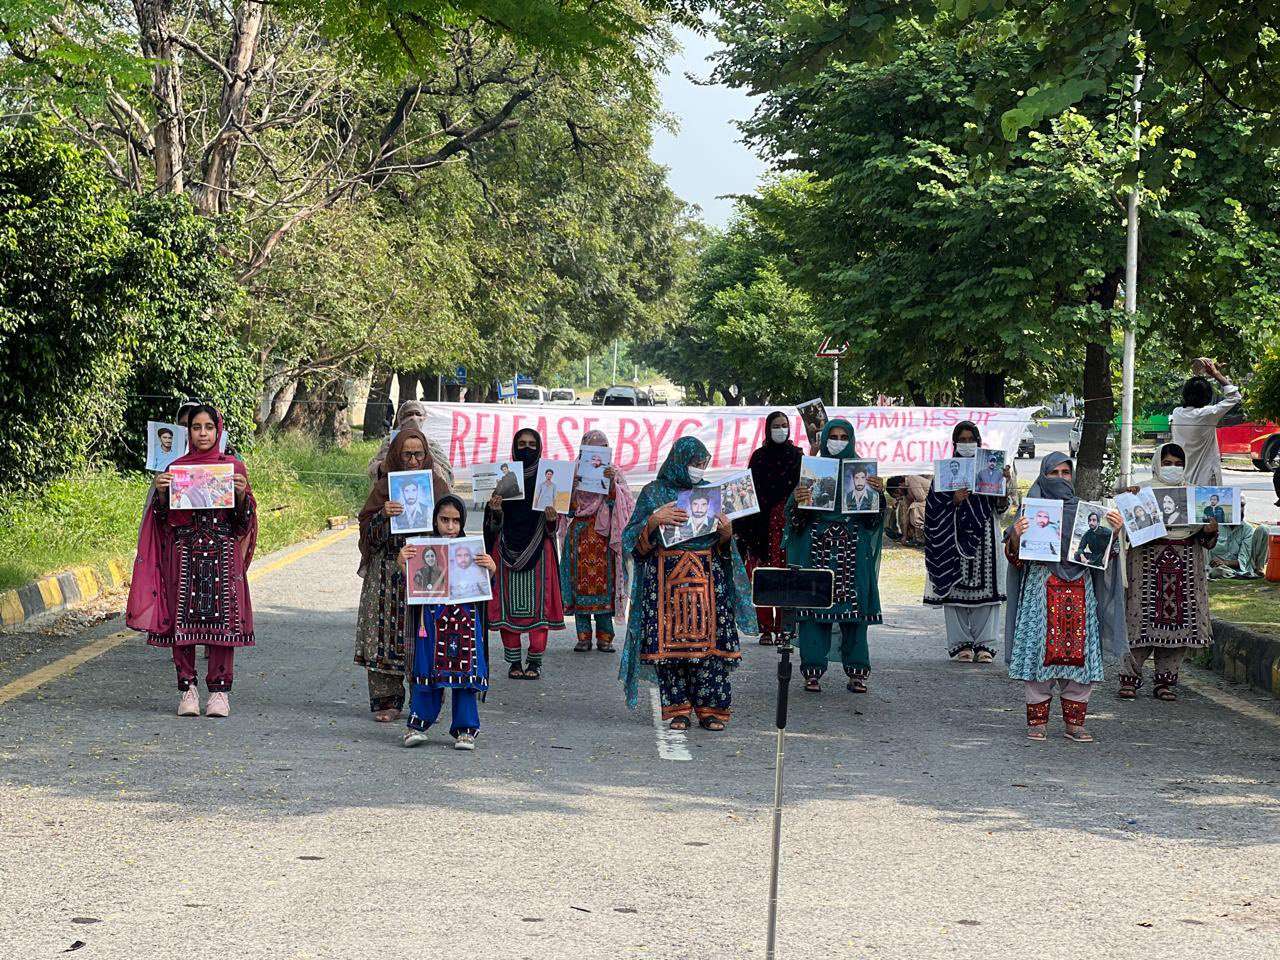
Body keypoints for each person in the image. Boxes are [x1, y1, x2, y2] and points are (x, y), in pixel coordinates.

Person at [126, 405, 256, 718]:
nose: (202, 433)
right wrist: (160, 494)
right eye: (196, 427)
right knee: (180, 622)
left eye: (208, 427)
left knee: (223, 623)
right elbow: (163, 521)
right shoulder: (175, 468)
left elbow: (243, 524)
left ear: (218, 430)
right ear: (189, 432)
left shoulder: (233, 468)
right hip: (182, 554)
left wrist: (240, 497)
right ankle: (188, 690)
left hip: (223, 556)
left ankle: (220, 694)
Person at [619, 437, 756, 730]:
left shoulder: (709, 493)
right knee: (670, 651)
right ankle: (677, 709)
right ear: (678, 460)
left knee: (710, 647)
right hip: (664, 584)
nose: (698, 469)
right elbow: (633, 544)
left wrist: (727, 533)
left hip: (707, 581)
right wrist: (654, 521)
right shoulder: (653, 493)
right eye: (694, 463)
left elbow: (723, 549)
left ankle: (712, 709)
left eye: (702, 463)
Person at [1004, 453, 1126, 742]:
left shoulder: (1088, 515)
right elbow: (1015, 560)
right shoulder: (1029, 512)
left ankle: (1075, 723)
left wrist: (1114, 533)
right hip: (1040, 593)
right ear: (1042, 477)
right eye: (1053, 473)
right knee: (1037, 651)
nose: (1060, 478)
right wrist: (1017, 536)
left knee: (1081, 654)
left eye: (1065, 473)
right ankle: (1037, 722)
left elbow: (1105, 559)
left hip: (1080, 592)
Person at [356, 428, 450, 721]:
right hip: (386, 572)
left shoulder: (436, 485)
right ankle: (387, 701)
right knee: (384, 632)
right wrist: (384, 515)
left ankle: (423, 699)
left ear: (426, 455)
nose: (412, 460)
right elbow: (367, 533)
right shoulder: (384, 489)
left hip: (425, 568)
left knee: (423, 631)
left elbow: (451, 524)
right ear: (396, 455)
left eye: (418, 454)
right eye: (406, 454)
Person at [786, 419, 885, 694]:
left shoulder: (862, 473)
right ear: (825, 437)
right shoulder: (813, 472)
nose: (838, 440)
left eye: (844, 436)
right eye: (834, 435)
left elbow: (873, 523)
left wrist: (879, 497)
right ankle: (812, 671)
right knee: (814, 610)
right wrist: (799, 499)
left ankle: (857, 672)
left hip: (853, 550)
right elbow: (793, 521)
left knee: (855, 614)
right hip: (816, 547)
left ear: (851, 440)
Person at [1117, 443, 1217, 702]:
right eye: (1167, 463)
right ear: (1156, 464)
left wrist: (1209, 530)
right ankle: (1129, 679)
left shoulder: (1195, 495)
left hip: (1186, 563)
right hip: (1146, 564)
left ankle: (1166, 682)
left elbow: (1208, 539)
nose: (1173, 468)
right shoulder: (1140, 492)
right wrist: (1130, 503)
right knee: (1138, 619)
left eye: (1178, 463)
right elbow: (1128, 530)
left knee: (1180, 622)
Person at [399, 496, 495, 750]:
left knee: (465, 670)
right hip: (430, 619)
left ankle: (466, 729)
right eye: (444, 520)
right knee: (426, 667)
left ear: (462, 521)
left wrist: (491, 569)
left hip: (464, 620)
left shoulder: (471, 550)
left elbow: (485, 590)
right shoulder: (422, 550)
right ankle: (417, 724)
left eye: (456, 520)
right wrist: (403, 564)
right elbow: (411, 586)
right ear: (435, 521)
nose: (450, 526)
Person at [924, 421, 1010, 663]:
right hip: (952, 541)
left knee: (988, 593)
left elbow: (1001, 508)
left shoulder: (990, 470)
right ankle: (961, 644)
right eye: (961, 440)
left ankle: (985, 645)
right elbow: (932, 510)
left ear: (979, 442)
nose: (966, 444)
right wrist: (953, 500)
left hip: (985, 538)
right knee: (954, 591)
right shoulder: (943, 473)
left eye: (971, 439)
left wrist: (1004, 485)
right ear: (954, 443)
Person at [484, 429, 565, 679]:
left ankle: (535, 662)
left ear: (539, 448)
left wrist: (552, 519)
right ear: (514, 447)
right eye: (521, 444)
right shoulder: (504, 480)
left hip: (539, 548)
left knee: (539, 608)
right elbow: (492, 524)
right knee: (507, 605)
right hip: (507, 547)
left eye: (532, 444)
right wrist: (495, 510)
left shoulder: (548, 479)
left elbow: (555, 525)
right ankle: (514, 662)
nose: (527, 449)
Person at [561, 430, 636, 653]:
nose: (597, 452)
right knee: (579, 583)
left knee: (605, 585)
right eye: (592, 447)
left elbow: (624, 504)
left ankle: (605, 637)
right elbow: (565, 508)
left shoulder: (615, 472)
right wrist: (572, 487)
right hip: (579, 535)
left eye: (602, 447)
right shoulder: (572, 471)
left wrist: (612, 482)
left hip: (604, 537)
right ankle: (583, 636)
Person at [736, 411, 802, 645]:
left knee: (787, 575)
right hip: (761, 527)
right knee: (763, 575)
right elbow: (748, 491)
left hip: (789, 526)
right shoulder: (759, 457)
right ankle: (765, 627)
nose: (781, 430)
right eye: (776, 426)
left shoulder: (797, 457)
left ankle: (785, 626)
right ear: (768, 429)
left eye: (785, 425)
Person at [1170, 358, 1242, 485]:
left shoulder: (1177, 413)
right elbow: (1235, 397)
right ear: (1208, 397)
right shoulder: (1207, 414)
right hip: (1206, 479)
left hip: (1184, 479)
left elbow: (1192, 391)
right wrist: (1216, 374)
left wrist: (1197, 376)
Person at [367, 399, 455, 488]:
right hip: (394, 491)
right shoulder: (389, 441)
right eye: (409, 414)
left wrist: (438, 470)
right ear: (401, 419)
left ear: (424, 417)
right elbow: (373, 470)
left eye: (418, 414)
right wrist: (382, 466)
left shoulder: (432, 444)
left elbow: (448, 472)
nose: (413, 418)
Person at [885, 474, 930, 546]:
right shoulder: (905, 493)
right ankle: (910, 536)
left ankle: (921, 538)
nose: (900, 494)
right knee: (906, 515)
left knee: (914, 507)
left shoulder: (912, 479)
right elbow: (905, 515)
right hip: (925, 506)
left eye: (897, 491)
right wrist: (904, 536)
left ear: (900, 485)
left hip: (934, 505)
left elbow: (921, 499)